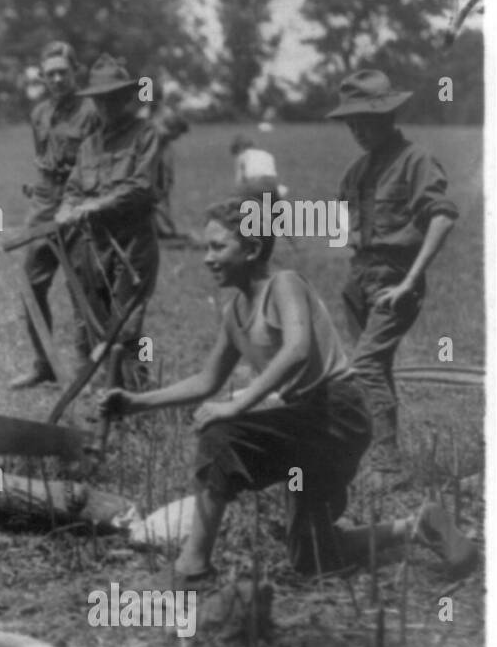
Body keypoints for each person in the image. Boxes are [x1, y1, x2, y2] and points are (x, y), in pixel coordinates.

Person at [100, 198, 478, 587]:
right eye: (206, 248)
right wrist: (134, 403)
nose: (207, 259)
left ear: (252, 249)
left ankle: (192, 568)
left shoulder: (284, 284)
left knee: (220, 438)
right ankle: (417, 525)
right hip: (308, 425)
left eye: (218, 247)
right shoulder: (235, 312)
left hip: (338, 414)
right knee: (312, 557)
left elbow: (296, 350)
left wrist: (237, 406)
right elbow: (207, 380)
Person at [328, 70, 461, 488]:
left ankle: (388, 466)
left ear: (388, 116)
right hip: (360, 279)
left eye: (365, 121)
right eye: (351, 124)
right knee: (375, 369)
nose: (358, 131)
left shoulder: (415, 160)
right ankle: (373, 456)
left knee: (365, 366)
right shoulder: (357, 169)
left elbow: (441, 217)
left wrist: (409, 282)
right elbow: (343, 222)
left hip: (395, 279)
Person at [54, 55, 163, 392]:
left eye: (114, 98)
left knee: (126, 325)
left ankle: (131, 399)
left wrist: (93, 205)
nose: (106, 106)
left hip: (133, 243)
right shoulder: (89, 145)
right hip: (93, 246)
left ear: (127, 98)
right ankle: (104, 392)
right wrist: (66, 207)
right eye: (100, 100)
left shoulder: (146, 135)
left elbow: (142, 187)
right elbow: (73, 188)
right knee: (93, 321)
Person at [10, 41, 99, 389]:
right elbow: (42, 155)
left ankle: (84, 370)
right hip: (44, 203)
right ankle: (43, 363)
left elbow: (97, 162)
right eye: (51, 74)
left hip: (79, 202)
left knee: (82, 290)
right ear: (42, 78)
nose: (58, 79)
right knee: (30, 286)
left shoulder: (92, 111)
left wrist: (80, 203)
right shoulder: (39, 113)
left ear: (74, 71)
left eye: (63, 72)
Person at [147, 85, 190, 239]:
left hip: (160, 157)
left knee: (161, 190)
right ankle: (158, 227)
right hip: (151, 157)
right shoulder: (149, 113)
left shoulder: (163, 114)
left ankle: (164, 228)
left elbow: (166, 133)